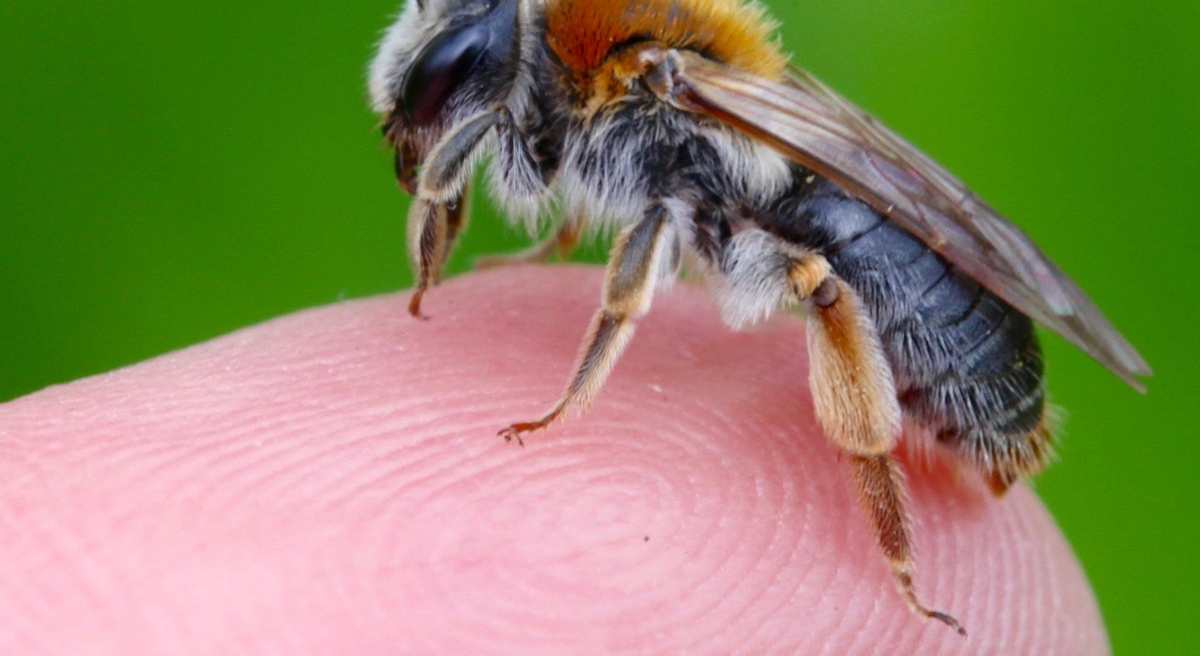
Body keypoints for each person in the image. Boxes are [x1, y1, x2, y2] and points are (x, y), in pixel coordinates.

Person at [0, 266, 1107, 654]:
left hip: (937, 338)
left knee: (821, 280)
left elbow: (657, 233)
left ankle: (900, 560)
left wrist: (577, 397)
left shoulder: (648, 86)